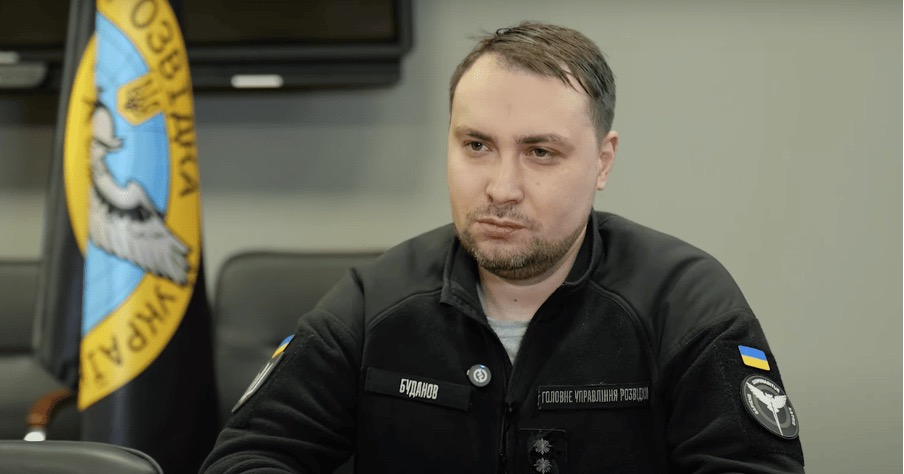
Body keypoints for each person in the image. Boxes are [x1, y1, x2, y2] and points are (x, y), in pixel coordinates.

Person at [201, 22, 805, 473]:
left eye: (540, 152)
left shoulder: (685, 303)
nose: (501, 188)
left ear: (603, 161)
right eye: (476, 146)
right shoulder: (374, 301)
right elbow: (248, 457)